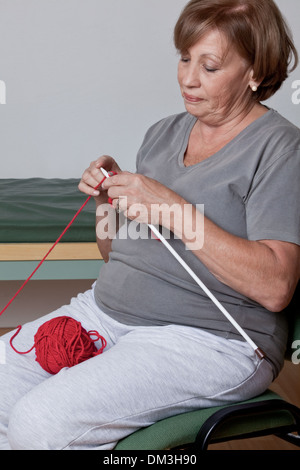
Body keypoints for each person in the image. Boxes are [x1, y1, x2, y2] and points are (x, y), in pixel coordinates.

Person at [0, 0, 299, 450]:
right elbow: (120, 254)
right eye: (184, 58)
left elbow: (276, 286)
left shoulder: (280, 149)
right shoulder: (162, 134)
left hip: (211, 341)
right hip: (105, 313)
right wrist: (108, 204)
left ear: (255, 72)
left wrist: (172, 207)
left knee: (41, 423)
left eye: (210, 65)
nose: (187, 78)